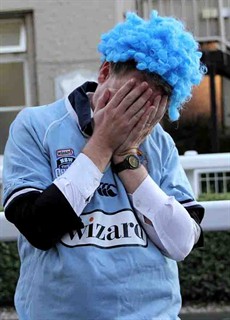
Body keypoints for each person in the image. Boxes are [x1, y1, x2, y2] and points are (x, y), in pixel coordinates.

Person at [3, 11, 205, 320]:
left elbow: (180, 243)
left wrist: (127, 158)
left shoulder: (160, 141)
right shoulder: (36, 125)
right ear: (105, 72)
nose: (139, 113)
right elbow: (39, 229)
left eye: (155, 101)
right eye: (131, 96)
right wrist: (102, 144)